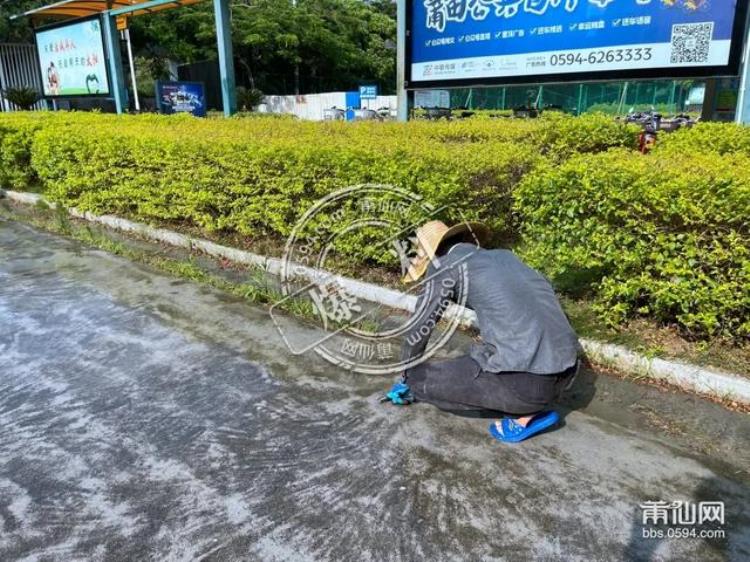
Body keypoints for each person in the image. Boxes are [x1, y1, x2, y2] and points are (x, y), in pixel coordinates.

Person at [384, 220, 581, 443]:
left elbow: (420, 325)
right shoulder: (505, 257)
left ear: (432, 255)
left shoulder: (445, 266)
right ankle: (531, 402)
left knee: (420, 378)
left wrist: (406, 373)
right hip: (568, 372)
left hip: (526, 387)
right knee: (478, 354)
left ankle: (525, 416)